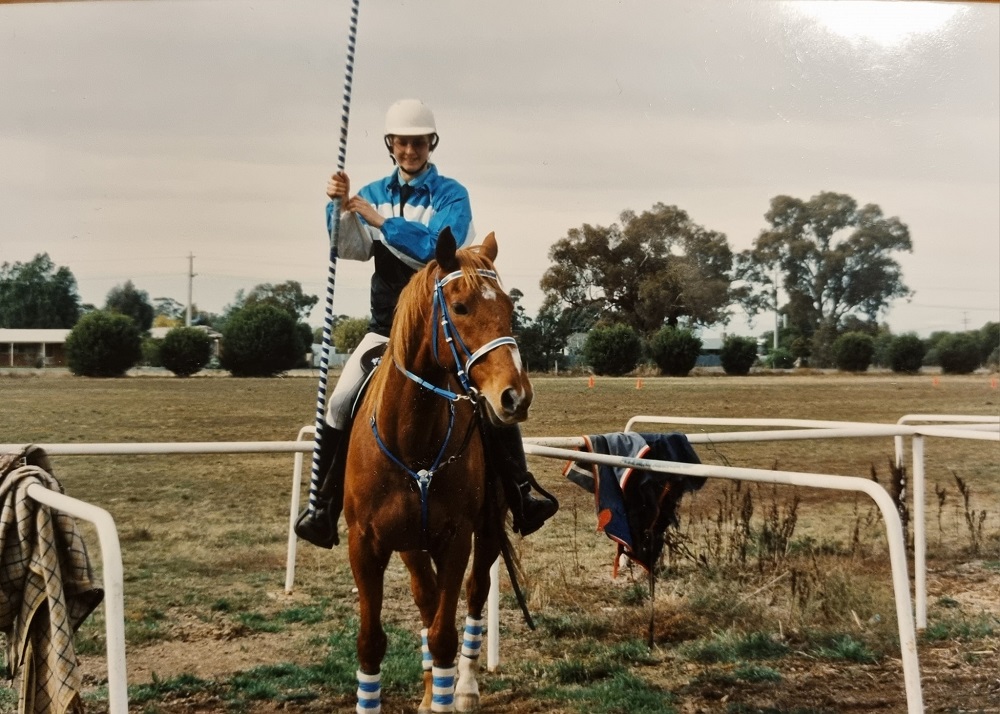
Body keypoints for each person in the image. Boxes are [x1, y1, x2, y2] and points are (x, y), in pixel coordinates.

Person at [295, 98, 558, 549]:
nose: (410, 149)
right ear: (390, 145)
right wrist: (338, 208)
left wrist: (380, 220)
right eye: (402, 142)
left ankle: (521, 492)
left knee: (488, 397)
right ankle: (323, 506)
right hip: (386, 329)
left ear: (430, 143)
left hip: (445, 331)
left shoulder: (451, 194)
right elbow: (351, 248)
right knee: (339, 403)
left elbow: (439, 247)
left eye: (418, 142)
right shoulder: (372, 190)